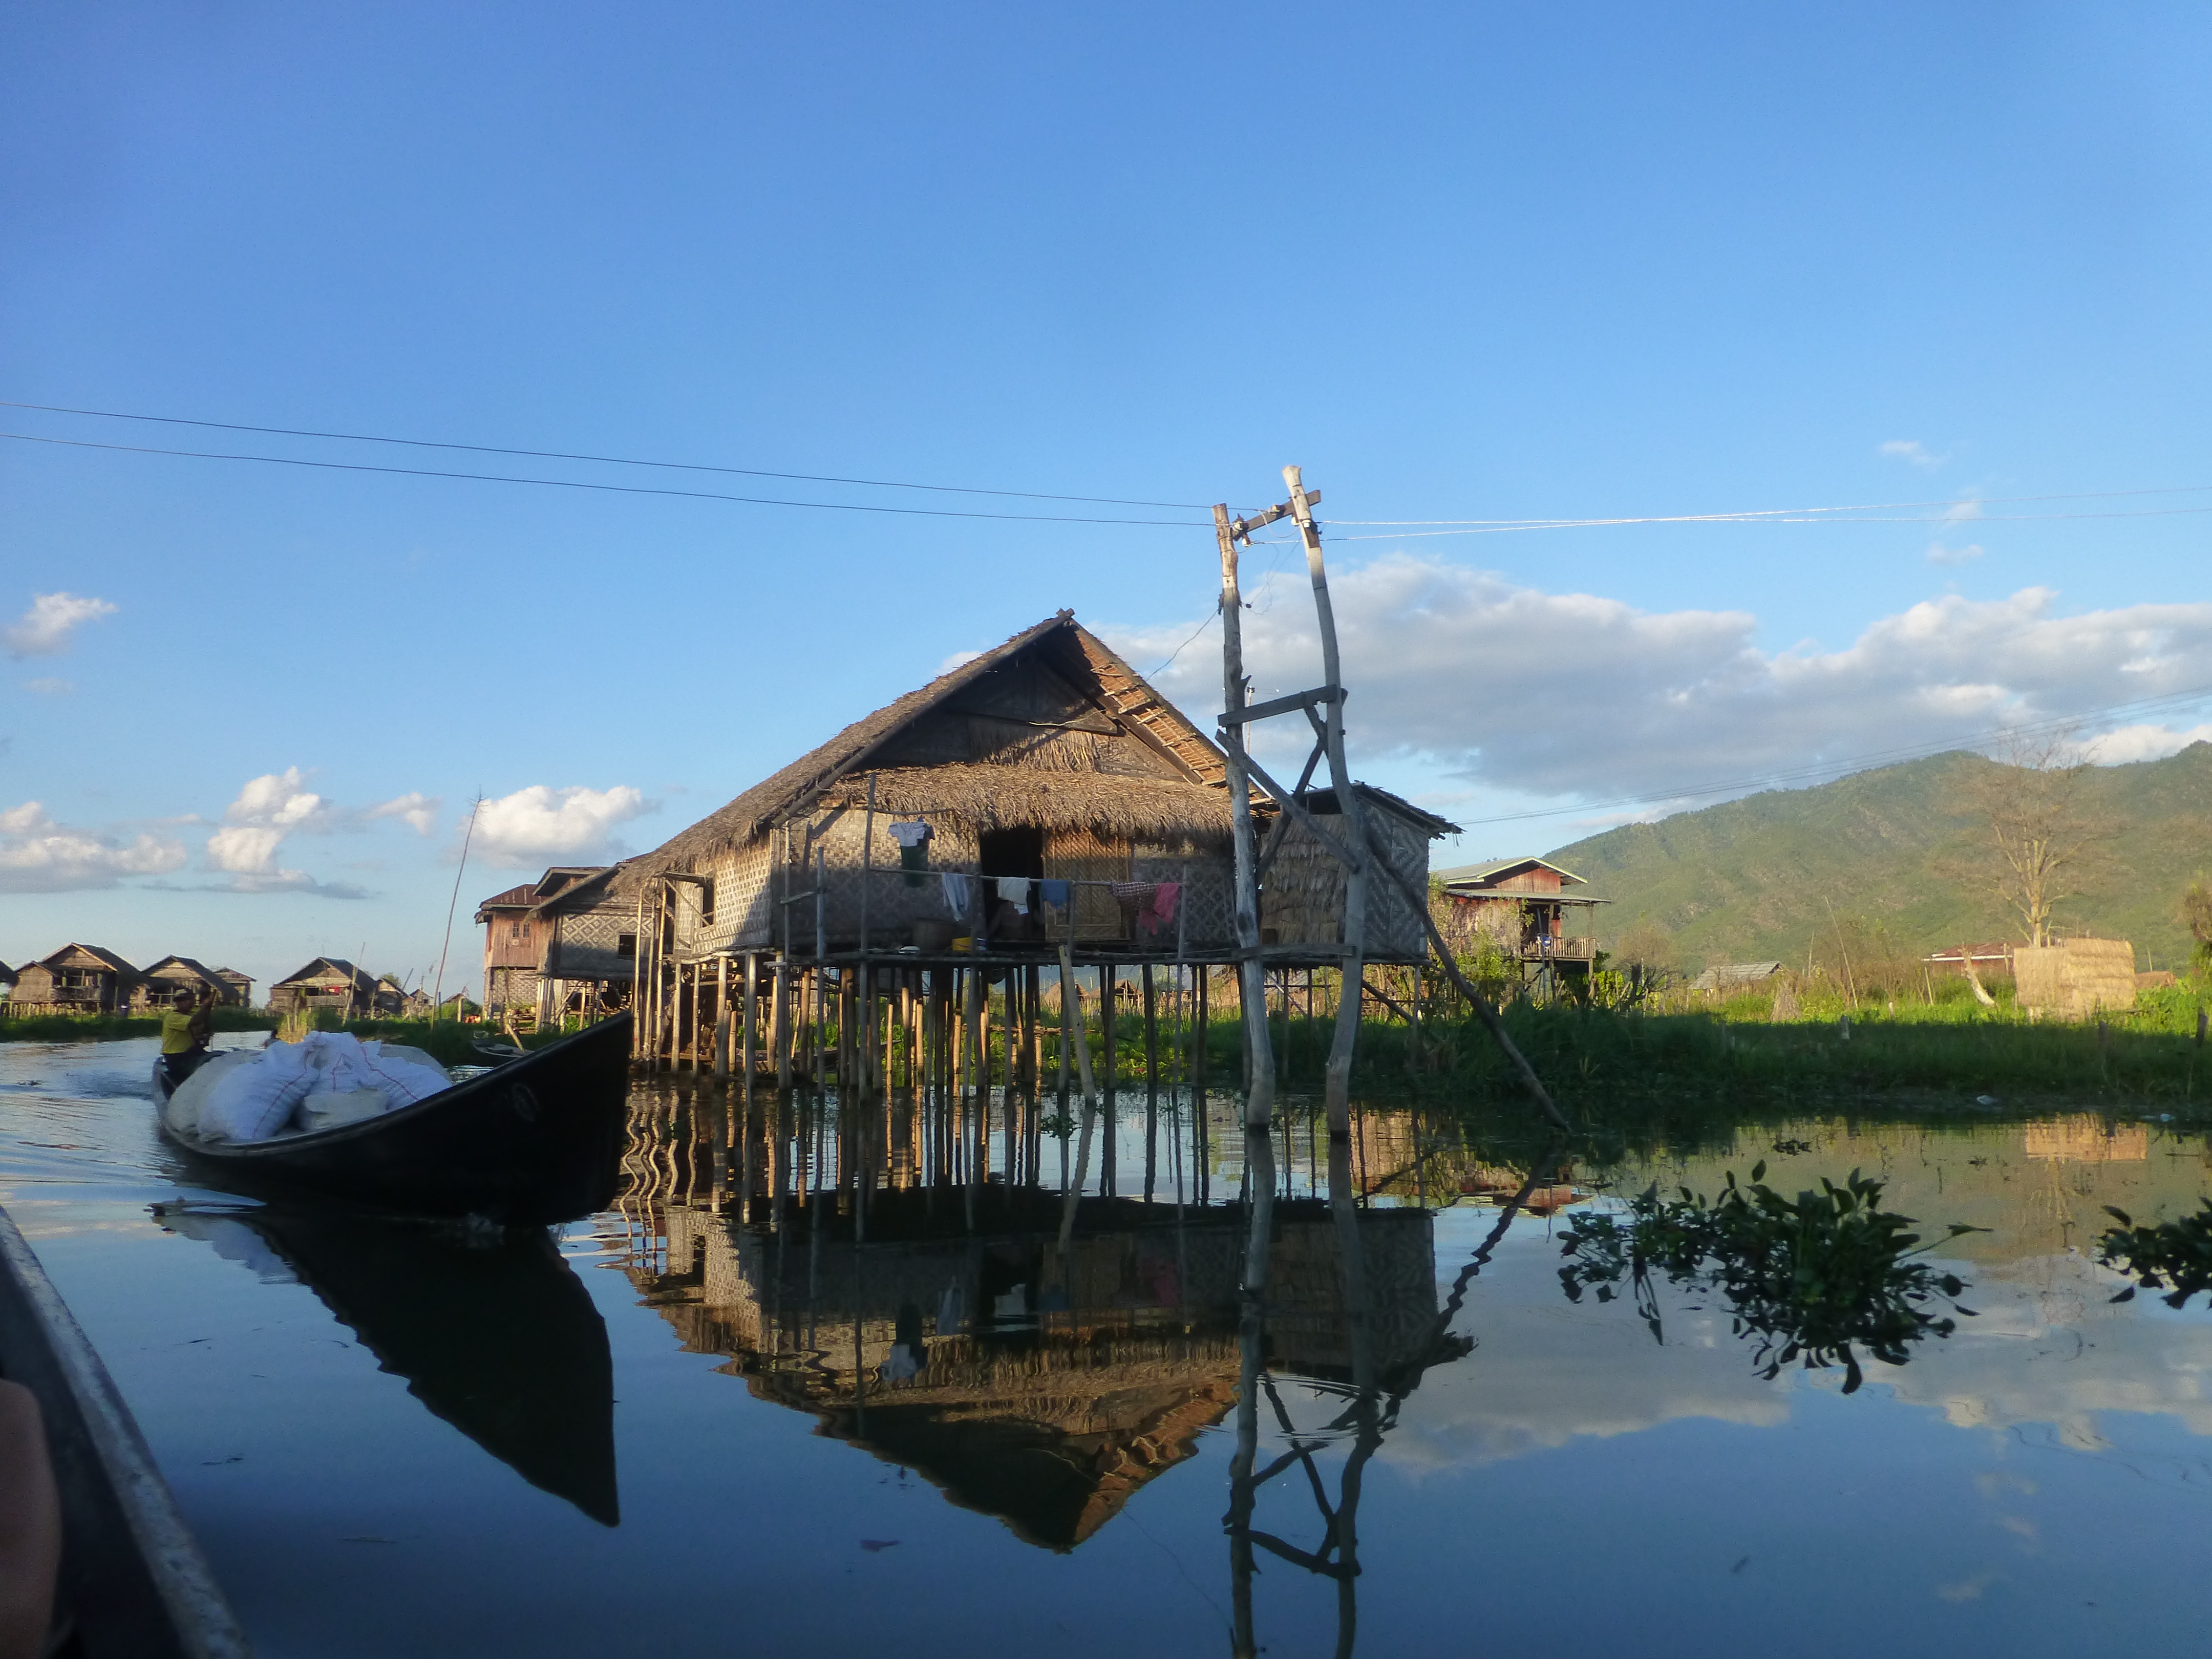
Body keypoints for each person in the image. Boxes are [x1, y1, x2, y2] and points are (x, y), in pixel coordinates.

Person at [158, 986, 215, 1091]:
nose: (182, 1003)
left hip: (191, 1053)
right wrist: (206, 1005)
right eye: (179, 1001)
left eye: (186, 1000)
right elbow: (195, 1022)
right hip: (176, 1057)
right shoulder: (173, 1017)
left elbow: (203, 1028)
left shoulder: (191, 1016)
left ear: (192, 1001)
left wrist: (205, 1036)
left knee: (214, 1059)